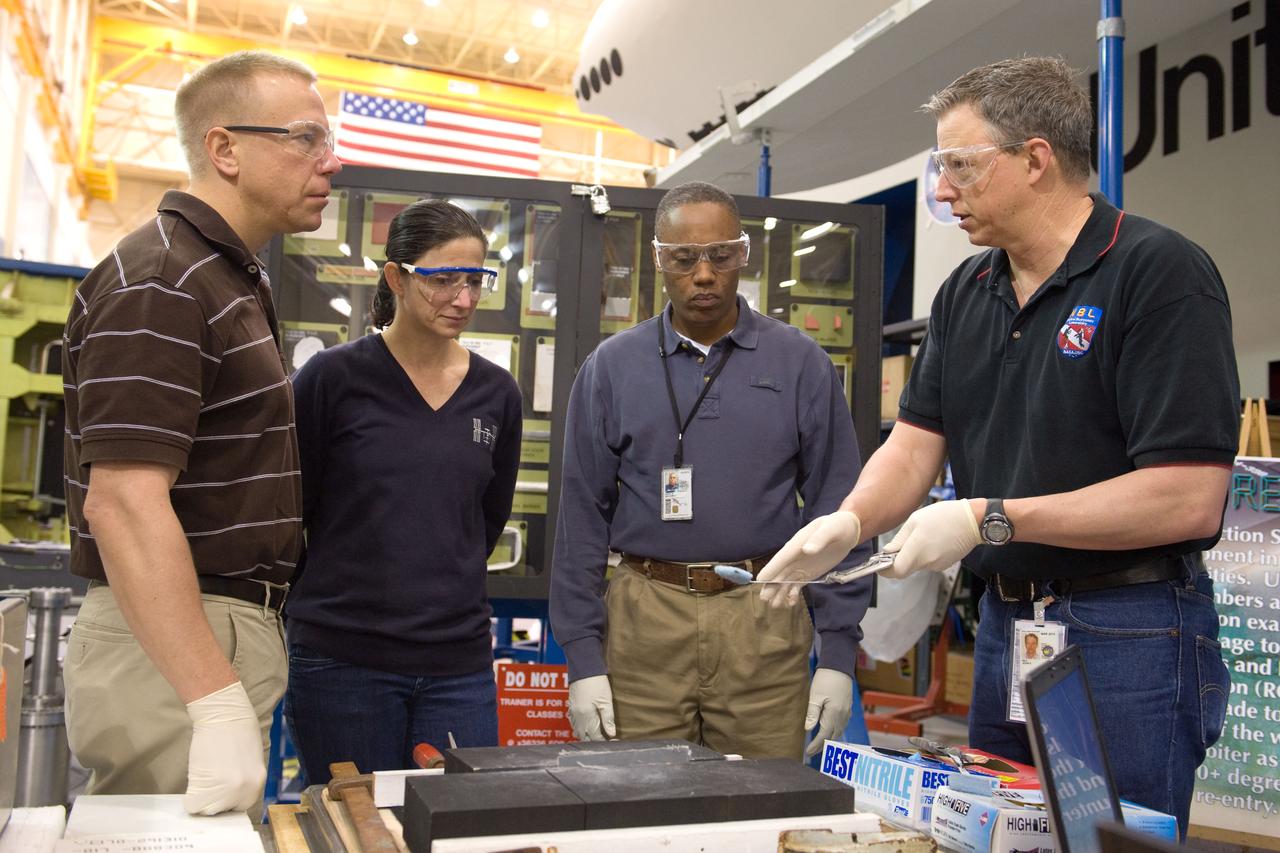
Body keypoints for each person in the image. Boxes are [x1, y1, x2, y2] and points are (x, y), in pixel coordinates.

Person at [757, 57, 1237, 835]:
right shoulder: (967, 292)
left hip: (1128, 629)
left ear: (1035, 160)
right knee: (994, 835)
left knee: (1114, 839)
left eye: (959, 165)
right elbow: (915, 446)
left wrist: (990, 518)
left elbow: (1187, 495)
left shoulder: (1157, 274)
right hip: (1008, 629)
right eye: (938, 167)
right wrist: (848, 523)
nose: (942, 190)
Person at [61, 50, 341, 815]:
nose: (332, 160)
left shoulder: (223, 276)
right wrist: (211, 696)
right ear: (225, 150)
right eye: (306, 138)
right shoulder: (164, 279)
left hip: (210, 631)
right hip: (174, 642)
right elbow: (120, 503)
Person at [551, 181, 872, 760]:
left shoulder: (800, 363)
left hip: (765, 618)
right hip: (644, 619)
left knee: (763, 805)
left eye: (720, 255)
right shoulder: (611, 369)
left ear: (743, 254)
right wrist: (581, 657)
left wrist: (839, 653)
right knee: (641, 814)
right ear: (657, 260)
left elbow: (838, 507)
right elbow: (580, 515)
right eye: (683, 258)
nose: (703, 274)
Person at [284, 200, 522, 782]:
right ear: (395, 277)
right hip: (342, 662)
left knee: (458, 830)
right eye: (443, 280)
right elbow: (293, 511)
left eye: (475, 280)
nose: (463, 300)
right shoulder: (332, 379)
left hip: (456, 664)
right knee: (356, 832)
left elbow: (484, 523)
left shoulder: (496, 393)